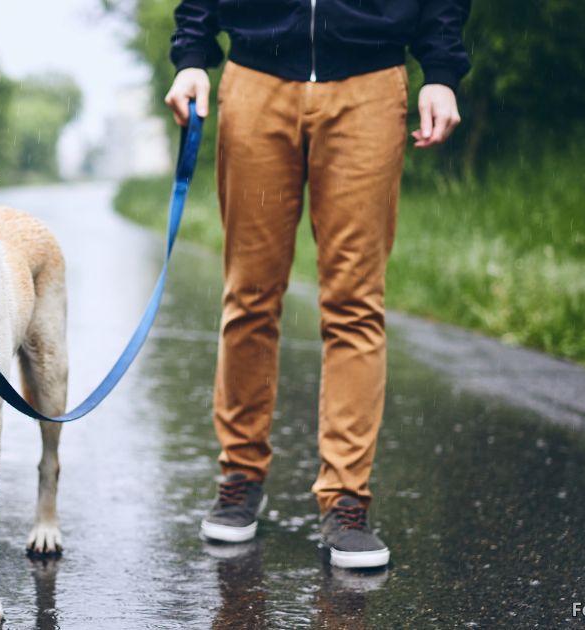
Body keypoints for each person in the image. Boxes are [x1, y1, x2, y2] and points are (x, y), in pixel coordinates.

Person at [165, 0, 470, 568]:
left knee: (356, 303)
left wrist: (442, 70)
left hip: (371, 83)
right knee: (249, 296)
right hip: (256, 78)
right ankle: (239, 477)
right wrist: (192, 54)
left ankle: (347, 498)